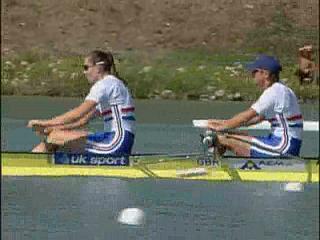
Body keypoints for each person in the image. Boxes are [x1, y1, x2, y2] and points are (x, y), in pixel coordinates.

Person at [27, 50, 135, 155]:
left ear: (98, 68)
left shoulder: (105, 84)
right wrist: (52, 128)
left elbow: (78, 113)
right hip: (119, 141)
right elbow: (83, 121)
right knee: (55, 136)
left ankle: (27, 165)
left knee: (56, 137)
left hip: (115, 143)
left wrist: (45, 123)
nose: (84, 72)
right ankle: (32, 161)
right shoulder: (115, 84)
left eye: (86, 67)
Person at [208, 55, 303, 157]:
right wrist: (222, 124)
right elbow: (255, 119)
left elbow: (247, 116)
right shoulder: (283, 90)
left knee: (222, 139)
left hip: (282, 147)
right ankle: (221, 165)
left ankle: (214, 166)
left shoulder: (274, 92)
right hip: (286, 144)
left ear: (265, 74)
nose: (252, 75)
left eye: (254, 72)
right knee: (230, 136)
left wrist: (222, 127)